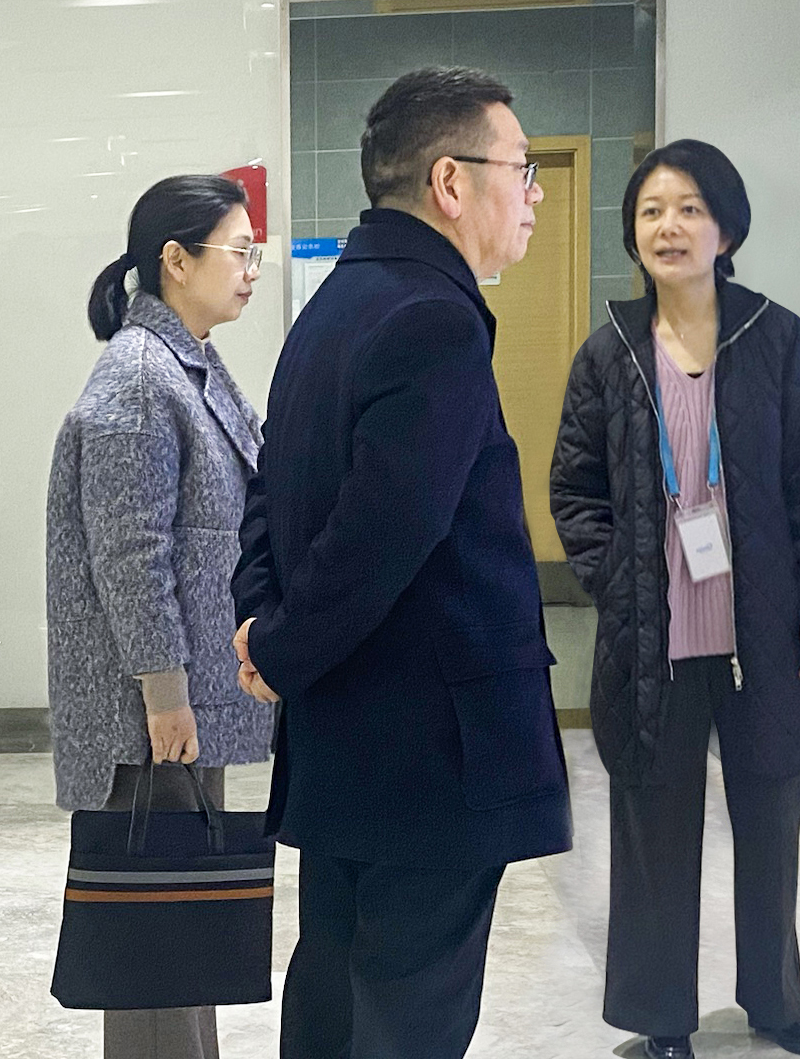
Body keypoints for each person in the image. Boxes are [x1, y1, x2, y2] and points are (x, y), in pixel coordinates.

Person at [230, 66, 571, 1059]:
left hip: (348, 742)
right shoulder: (434, 318)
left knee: (334, 1003)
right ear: (450, 182)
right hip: (431, 757)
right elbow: (383, 533)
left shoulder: (335, 303)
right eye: (520, 168)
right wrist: (279, 649)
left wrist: (261, 624)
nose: (533, 194)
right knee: (406, 1018)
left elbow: (269, 491)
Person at [548, 139, 800, 1059]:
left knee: (770, 823)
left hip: (763, 632)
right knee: (652, 834)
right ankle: (660, 1018)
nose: (668, 226)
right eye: (650, 211)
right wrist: (616, 580)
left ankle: (774, 1000)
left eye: (688, 208)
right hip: (655, 639)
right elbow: (574, 491)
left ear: (726, 228)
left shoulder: (776, 338)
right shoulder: (608, 353)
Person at [45, 173, 275, 1059]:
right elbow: (128, 555)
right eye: (238, 251)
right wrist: (164, 690)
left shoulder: (186, 362)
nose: (250, 269)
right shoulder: (140, 379)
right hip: (148, 706)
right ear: (176, 260)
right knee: (157, 937)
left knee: (183, 921)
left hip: (184, 693)